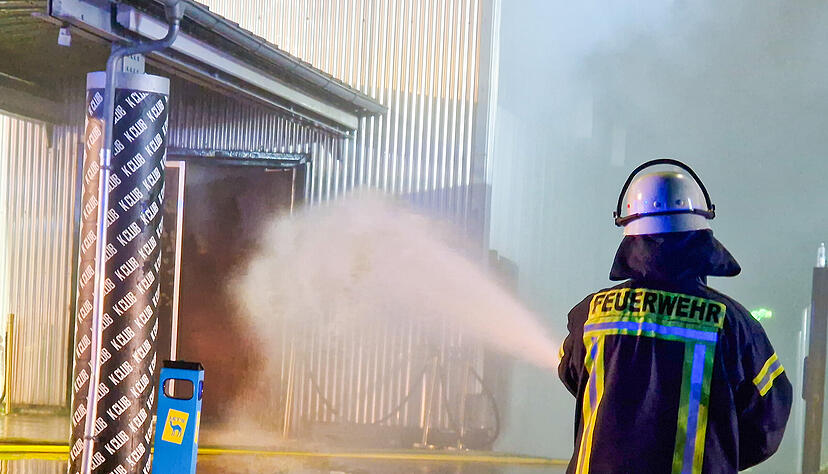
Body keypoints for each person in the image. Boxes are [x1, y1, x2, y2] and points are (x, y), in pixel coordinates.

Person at [558, 159, 792, 473]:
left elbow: (572, 376)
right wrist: (718, 451)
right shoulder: (734, 325)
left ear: (629, 232)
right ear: (702, 233)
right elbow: (768, 421)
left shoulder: (589, 315)